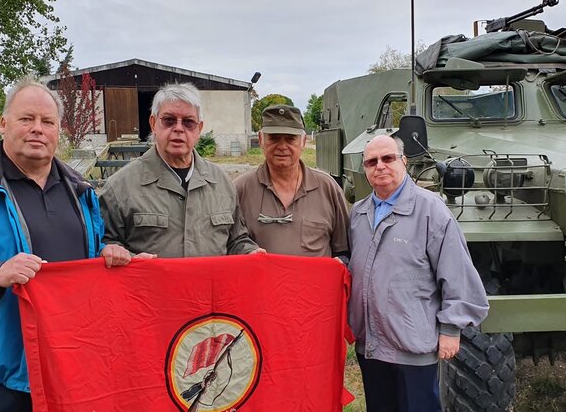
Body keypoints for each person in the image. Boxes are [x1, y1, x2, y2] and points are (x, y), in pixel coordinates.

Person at [0, 76, 133, 412]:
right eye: (26, 119)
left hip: (72, 362)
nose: (37, 129)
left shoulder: (80, 191)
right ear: (3, 124)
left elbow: (91, 252)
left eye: (47, 122)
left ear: (59, 131)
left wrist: (106, 252)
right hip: (3, 374)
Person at [347, 135, 489, 412]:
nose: (380, 166)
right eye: (371, 161)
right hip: (372, 344)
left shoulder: (431, 210)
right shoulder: (359, 213)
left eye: (388, 158)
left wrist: (451, 328)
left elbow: (457, 272)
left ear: (404, 161)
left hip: (412, 344)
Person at [100, 83, 260, 257]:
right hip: (150, 285)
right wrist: (124, 256)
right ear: (153, 123)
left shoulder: (221, 183)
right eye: (169, 120)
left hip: (209, 285)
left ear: (199, 129)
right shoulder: (120, 186)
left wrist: (250, 252)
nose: (178, 128)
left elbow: (236, 240)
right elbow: (104, 244)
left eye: (188, 122)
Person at [234, 105, 349, 260]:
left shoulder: (328, 189)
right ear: (261, 139)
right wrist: (247, 251)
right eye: (274, 138)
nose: (282, 146)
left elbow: (343, 251)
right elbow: (231, 243)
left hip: (314, 284)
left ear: (303, 141)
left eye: (290, 139)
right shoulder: (240, 190)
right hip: (261, 283)